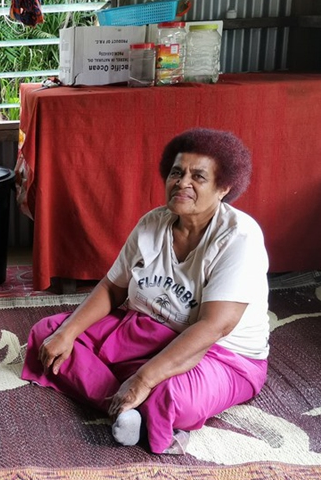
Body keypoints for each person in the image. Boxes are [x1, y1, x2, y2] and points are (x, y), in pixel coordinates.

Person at [22, 128, 269, 454]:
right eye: (177, 173)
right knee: (49, 336)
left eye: (199, 177)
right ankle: (130, 408)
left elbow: (214, 327)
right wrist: (68, 332)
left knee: (174, 397)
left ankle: (135, 392)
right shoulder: (152, 223)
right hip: (144, 330)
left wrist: (144, 379)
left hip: (218, 354)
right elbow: (112, 288)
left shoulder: (239, 238)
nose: (183, 183)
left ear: (224, 188)